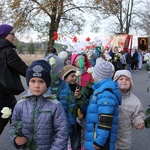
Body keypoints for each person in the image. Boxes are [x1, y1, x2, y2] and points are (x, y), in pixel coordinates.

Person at [9, 60, 68, 150]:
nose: (36, 85)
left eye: (41, 81)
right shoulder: (20, 104)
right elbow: (13, 126)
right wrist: (15, 138)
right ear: (28, 82)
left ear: (47, 83)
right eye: (33, 81)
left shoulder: (55, 105)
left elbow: (62, 132)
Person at [84, 58, 122, 150]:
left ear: (97, 75)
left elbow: (105, 119)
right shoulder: (102, 90)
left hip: (100, 143)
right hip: (95, 136)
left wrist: (99, 141)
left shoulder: (105, 93)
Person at [0, 24, 28, 135]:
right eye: (12, 34)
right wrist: (39, 75)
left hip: (4, 92)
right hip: (4, 93)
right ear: (5, 35)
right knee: (16, 116)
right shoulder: (7, 50)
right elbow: (23, 69)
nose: (14, 37)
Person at [44, 54, 76, 148]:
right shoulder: (44, 87)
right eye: (61, 68)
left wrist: (70, 125)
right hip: (46, 130)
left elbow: (71, 107)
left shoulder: (64, 86)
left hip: (63, 128)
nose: (63, 70)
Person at [113, 70, 145, 150]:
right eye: (121, 79)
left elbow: (137, 114)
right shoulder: (110, 96)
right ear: (115, 82)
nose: (124, 81)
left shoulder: (135, 101)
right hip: (110, 134)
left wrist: (139, 122)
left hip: (124, 135)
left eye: (127, 79)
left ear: (131, 83)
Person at [62, 65, 89, 150]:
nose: (74, 78)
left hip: (76, 123)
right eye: (72, 76)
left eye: (75, 76)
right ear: (65, 78)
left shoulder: (80, 89)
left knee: (76, 144)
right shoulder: (62, 90)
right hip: (65, 122)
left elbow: (84, 104)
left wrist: (79, 98)